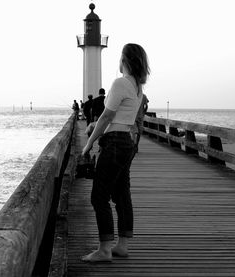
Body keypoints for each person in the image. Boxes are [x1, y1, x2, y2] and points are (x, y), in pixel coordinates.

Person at [81, 43, 150, 263]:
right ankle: (122, 245)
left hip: (115, 144)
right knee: (121, 194)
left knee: (99, 196)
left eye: (120, 57)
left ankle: (104, 250)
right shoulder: (138, 88)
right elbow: (121, 118)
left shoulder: (120, 83)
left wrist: (89, 143)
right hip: (126, 144)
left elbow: (107, 117)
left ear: (125, 60)